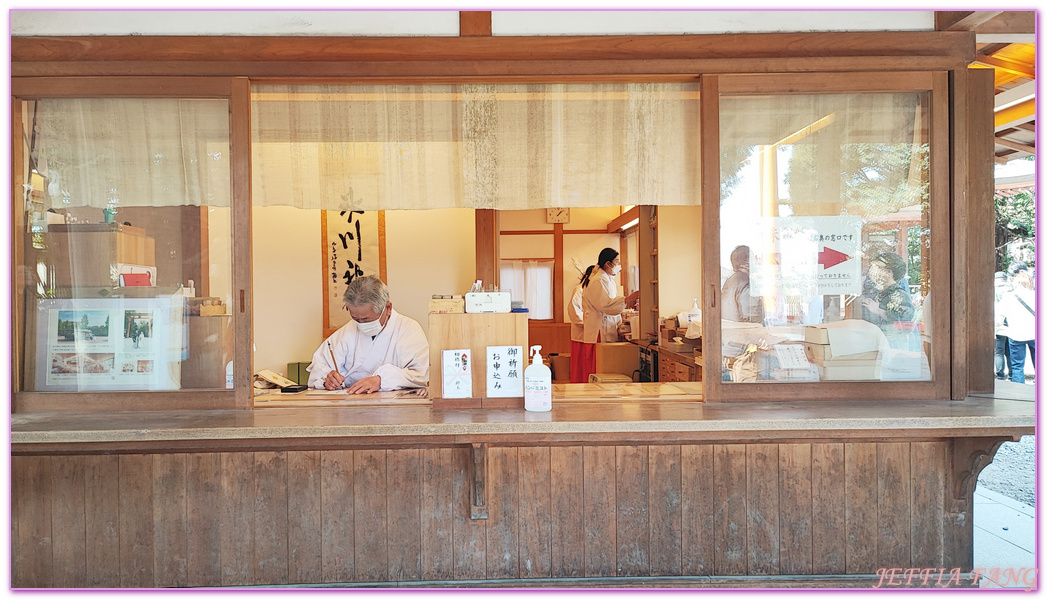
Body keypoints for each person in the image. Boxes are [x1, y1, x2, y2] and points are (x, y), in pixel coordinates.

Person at [307, 275, 429, 393]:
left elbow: (419, 375)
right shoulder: (346, 332)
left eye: (366, 320)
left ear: (388, 308)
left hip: (393, 407)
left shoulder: (408, 330)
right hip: (350, 405)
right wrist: (327, 379)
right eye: (356, 319)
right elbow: (319, 367)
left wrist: (382, 380)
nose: (360, 324)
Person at [579, 248, 640, 383]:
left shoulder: (607, 279)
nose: (619, 265)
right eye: (617, 261)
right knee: (598, 368)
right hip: (599, 330)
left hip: (607, 325)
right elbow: (606, 305)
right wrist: (627, 299)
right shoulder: (598, 280)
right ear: (608, 263)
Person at [860, 252, 916, 350]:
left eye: (876, 267)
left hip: (893, 349)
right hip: (877, 346)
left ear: (889, 272)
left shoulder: (899, 294)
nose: (872, 271)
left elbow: (904, 322)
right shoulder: (879, 293)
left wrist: (879, 311)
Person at [999, 263, 1035, 384]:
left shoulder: (1008, 297)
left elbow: (999, 318)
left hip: (1016, 334)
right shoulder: (1036, 295)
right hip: (1035, 333)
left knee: (1017, 367)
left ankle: (1019, 393)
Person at [568, 265, 596, 384]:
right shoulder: (579, 290)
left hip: (592, 333)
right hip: (581, 333)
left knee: (590, 364)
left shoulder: (594, 290)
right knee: (580, 364)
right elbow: (574, 311)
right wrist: (589, 322)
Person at [721, 245, 763, 323]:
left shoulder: (732, 280)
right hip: (742, 331)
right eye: (753, 258)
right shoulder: (744, 281)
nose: (756, 261)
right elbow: (750, 315)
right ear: (745, 263)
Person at [994, 271, 1013, 380]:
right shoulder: (1011, 290)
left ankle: (1000, 376)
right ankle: (1012, 375)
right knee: (1009, 352)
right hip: (1011, 325)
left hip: (998, 326)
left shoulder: (993, 291)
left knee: (999, 352)